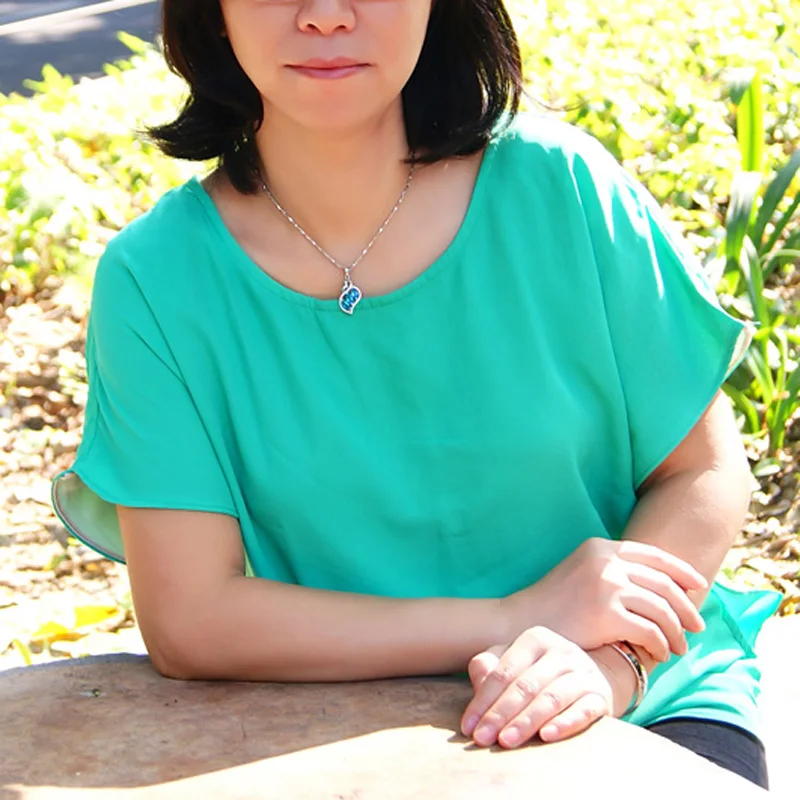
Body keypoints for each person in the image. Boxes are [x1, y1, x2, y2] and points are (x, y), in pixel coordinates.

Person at [51, 0, 781, 789]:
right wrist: (514, 617)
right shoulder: (157, 279)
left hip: (636, 699)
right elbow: (192, 620)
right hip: (334, 729)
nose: (325, 15)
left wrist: (604, 663)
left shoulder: (562, 187)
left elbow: (702, 471)